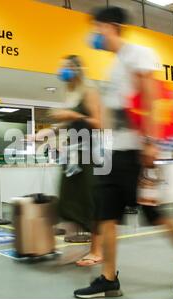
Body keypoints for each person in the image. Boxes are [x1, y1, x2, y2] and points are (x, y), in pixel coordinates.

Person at [73, 6, 173, 299]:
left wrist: (151, 142)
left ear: (110, 26)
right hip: (115, 152)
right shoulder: (114, 65)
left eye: (96, 28)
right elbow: (113, 115)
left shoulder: (138, 54)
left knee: (156, 215)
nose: (94, 35)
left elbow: (152, 97)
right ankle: (109, 278)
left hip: (137, 152)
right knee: (106, 213)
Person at [46, 55, 103, 262]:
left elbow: (98, 123)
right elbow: (65, 126)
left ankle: (98, 250)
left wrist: (73, 116)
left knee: (90, 201)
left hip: (88, 153)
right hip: (73, 153)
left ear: (77, 69)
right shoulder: (70, 94)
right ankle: (88, 243)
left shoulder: (89, 91)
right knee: (68, 200)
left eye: (67, 67)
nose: (63, 71)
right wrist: (41, 135)